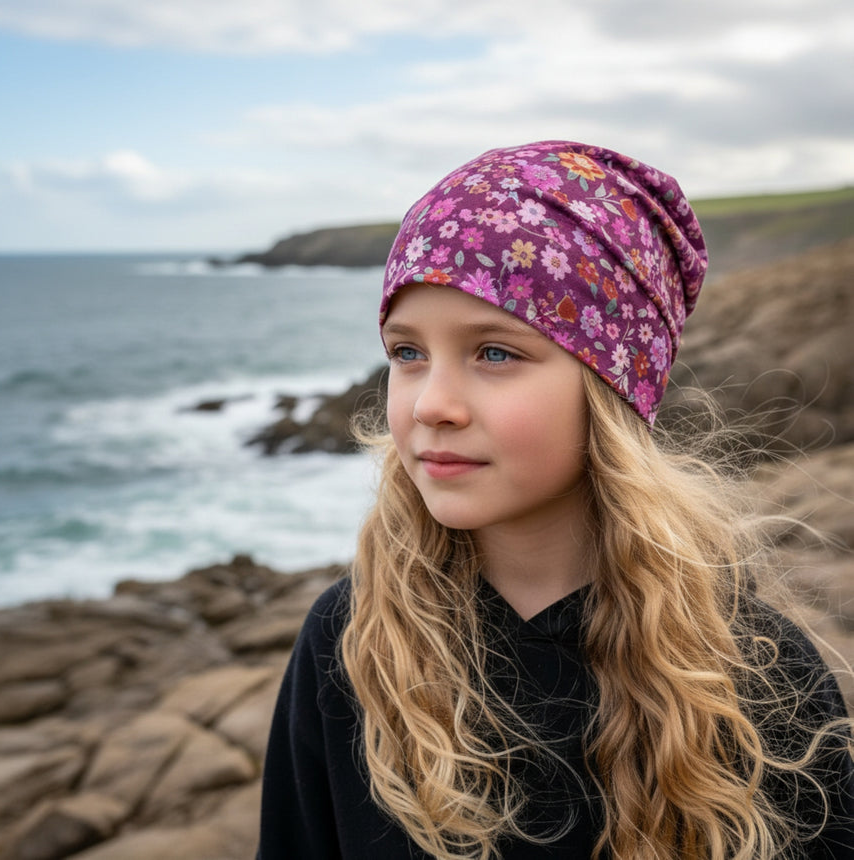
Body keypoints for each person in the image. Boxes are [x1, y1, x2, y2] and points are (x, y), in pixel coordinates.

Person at [258, 141, 853, 859]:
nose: (431, 405)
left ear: (611, 388)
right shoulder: (352, 643)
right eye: (407, 353)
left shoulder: (754, 674)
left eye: (495, 353)